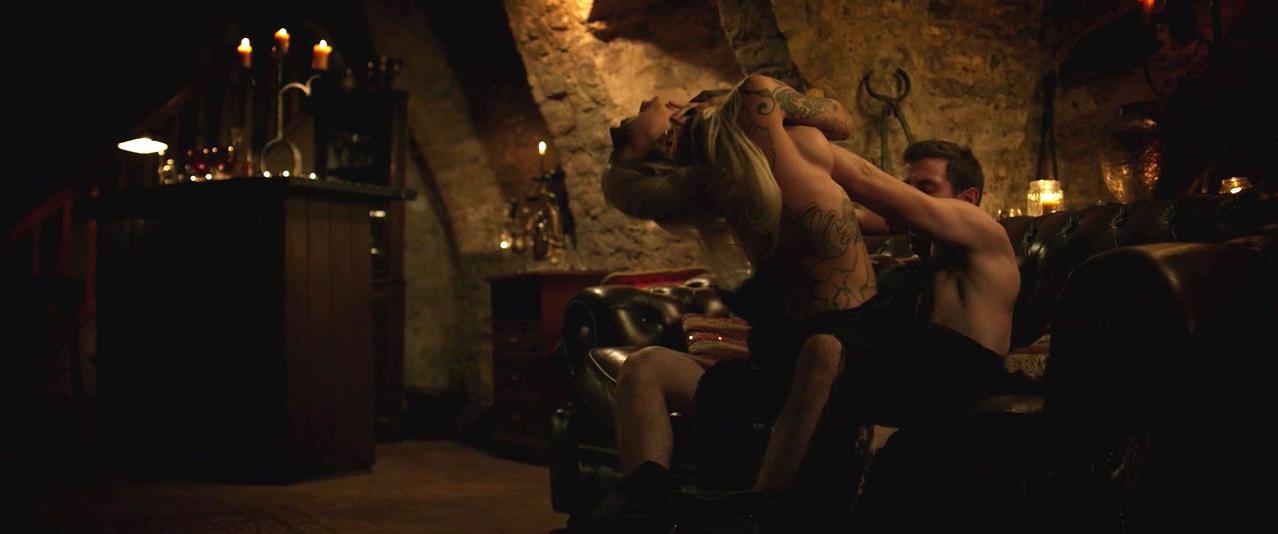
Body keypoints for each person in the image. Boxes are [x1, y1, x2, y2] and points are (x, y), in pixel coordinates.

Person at [596, 73, 1021, 531]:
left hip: (962, 374)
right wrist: (776, 152)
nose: (912, 194)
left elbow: (872, 186)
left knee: (824, 346)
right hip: (899, 368)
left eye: (926, 186)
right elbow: (866, 207)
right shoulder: (921, 259)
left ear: (969, 198)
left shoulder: (982, 233)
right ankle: (644, 509)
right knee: (657, 365)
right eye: (910, 184)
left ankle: (761, 508)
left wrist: (784, 141)